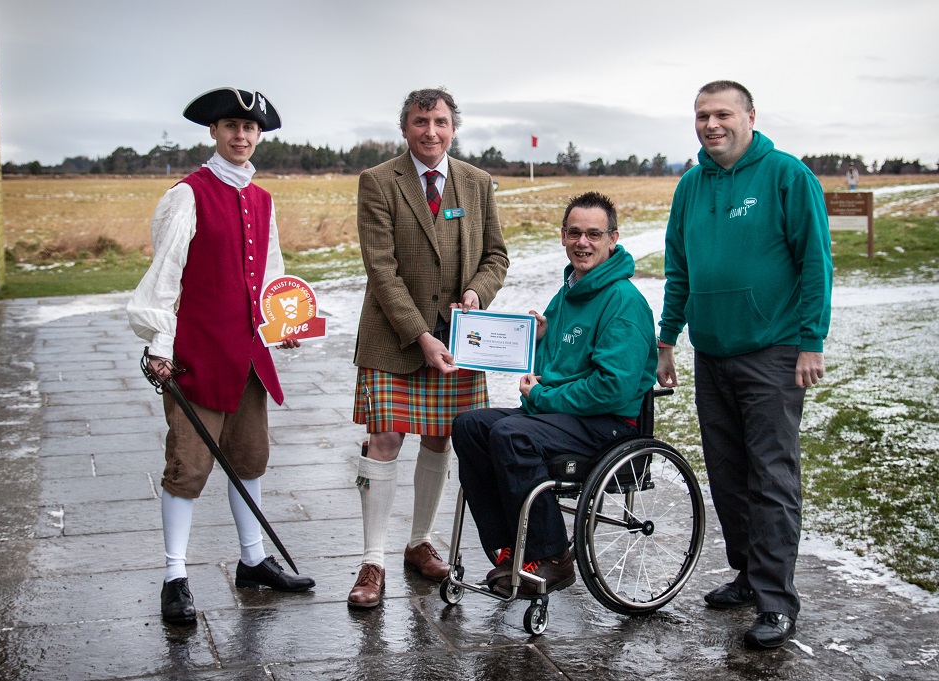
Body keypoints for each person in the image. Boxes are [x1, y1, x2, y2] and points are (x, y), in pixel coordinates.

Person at [127, 87, 315, 624]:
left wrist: (284, 324)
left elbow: (272, 275)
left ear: (259, 136)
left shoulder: (262, 199)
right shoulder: (188, 195)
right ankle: (175, 577)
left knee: (250, 458)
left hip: (249, 354)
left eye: (250, 128)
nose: (241, 136)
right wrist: (159, 345)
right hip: (197, 354)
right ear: (214, 131)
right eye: (232, 126)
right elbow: (164, 279)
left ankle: (253, 561)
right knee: (187, 466)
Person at [657, 80, 832, 649]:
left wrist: (812, 341)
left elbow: (815, 262)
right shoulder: (689, 186)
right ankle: (748, 577)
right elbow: (679, 270)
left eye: (723, 114)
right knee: (728, 476)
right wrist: (667, 340)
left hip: (773, 352)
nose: (711, 125)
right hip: (712, 353)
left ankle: (778, 601)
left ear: (750, 116)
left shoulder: (786, 175)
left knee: (772, 476)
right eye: (702, 115)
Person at [348, 87, 509, 609]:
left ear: (453, 128)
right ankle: (372, 560)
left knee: (442, 439)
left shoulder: (478, 183)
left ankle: (419, 543)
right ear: (405, 128)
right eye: (421, 122)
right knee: (385, 440)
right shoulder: (377, 182)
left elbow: (496, 256)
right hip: (395, 338)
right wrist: (421, 333)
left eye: (440, 122)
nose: (431, 131)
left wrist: (475, 293)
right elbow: (381, 269)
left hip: (459, 340)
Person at [452, 191, 657, 597]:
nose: (583, 242)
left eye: (594, 234)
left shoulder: (623, 302)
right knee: (470, 425)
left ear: (613, 239)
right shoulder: (567, 293)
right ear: (563, 236)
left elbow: (612, 388)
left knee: (512, 435)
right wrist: (540, 340)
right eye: (576, 233)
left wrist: (543, 398)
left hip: (609, 424)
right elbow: (556, 365)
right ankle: (511, 548)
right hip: (562, 417)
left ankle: (555, 557)